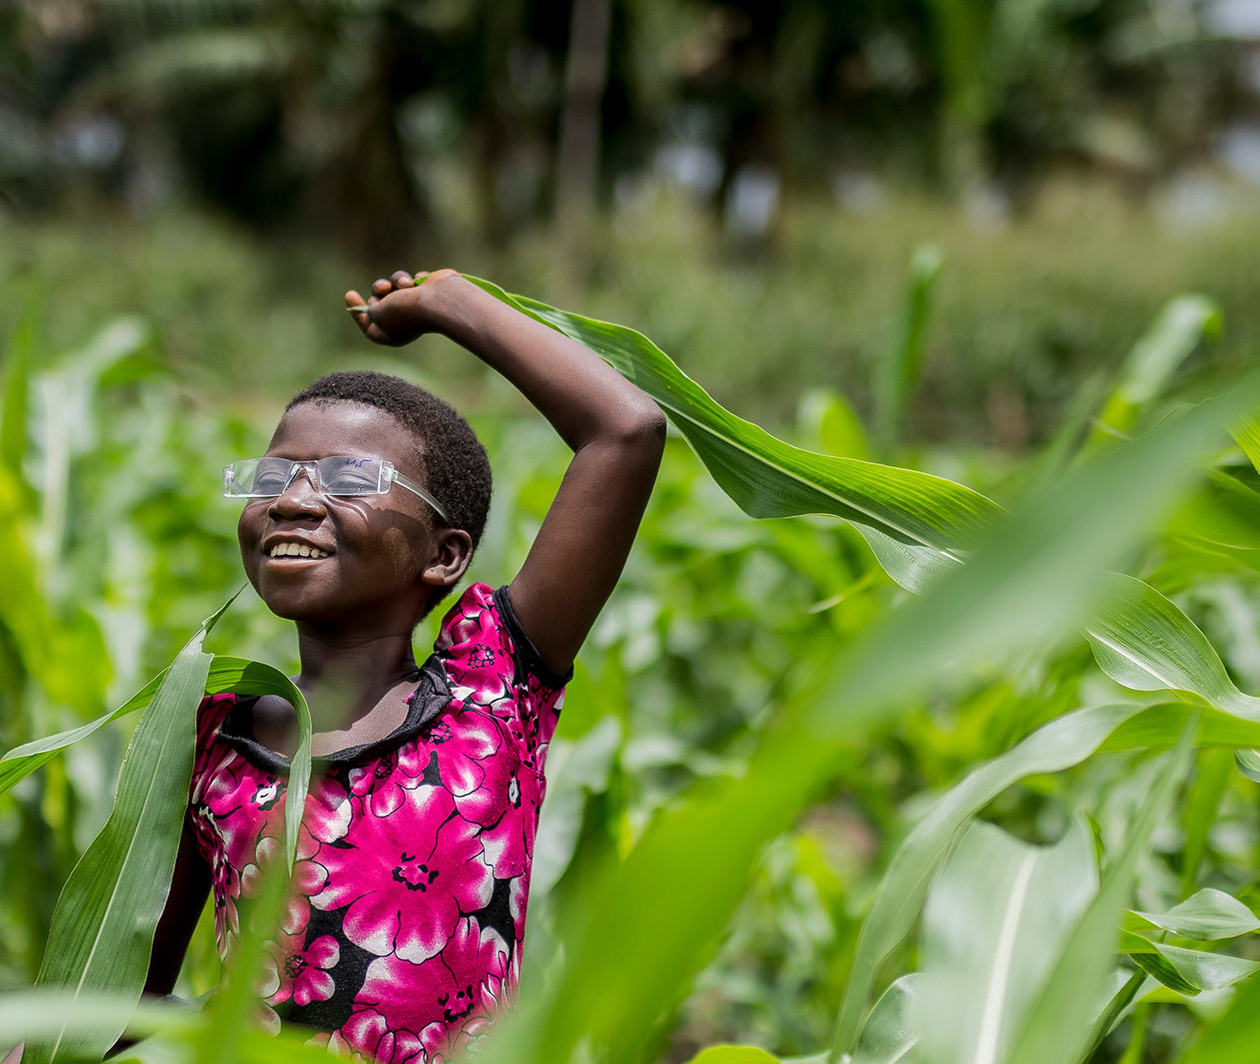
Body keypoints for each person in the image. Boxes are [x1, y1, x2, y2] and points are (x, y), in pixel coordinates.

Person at [142, 269, 666, 1061]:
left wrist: (449, 303)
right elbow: (122, 981)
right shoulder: (211, 738)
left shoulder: (490, 692)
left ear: (444, 554)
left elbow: (625, 434)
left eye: (349, 480)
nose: (292, 500)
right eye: (274, 477)